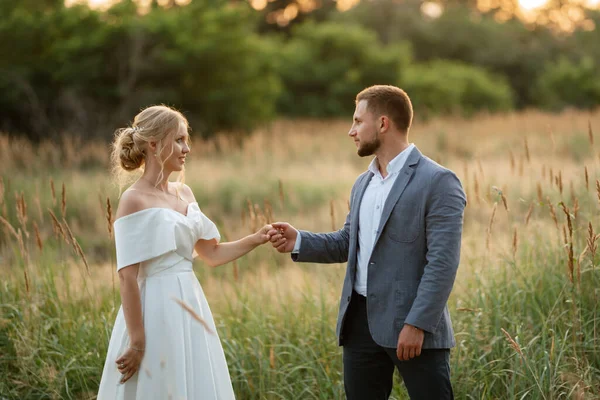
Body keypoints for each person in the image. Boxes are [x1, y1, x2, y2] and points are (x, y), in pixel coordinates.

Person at [268, 85, 466, 400]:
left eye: (358, 121)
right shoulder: (364, 182)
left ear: (383, 124)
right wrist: (298, 240)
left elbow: (442, 262)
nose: (351, 131)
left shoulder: (438, 181)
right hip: (359, 324)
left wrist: (417, 324)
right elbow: (349, 242)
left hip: (412, 326)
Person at [97, 105, 272, 399]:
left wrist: (256, 238)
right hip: (153, 310)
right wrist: (138, 340)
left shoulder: (185, 193)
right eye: (178, 140)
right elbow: (127, 277)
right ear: (153, 144)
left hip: (190, 306)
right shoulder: (133, 200)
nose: (186, 148)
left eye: (186, 140)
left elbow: (212, 254)